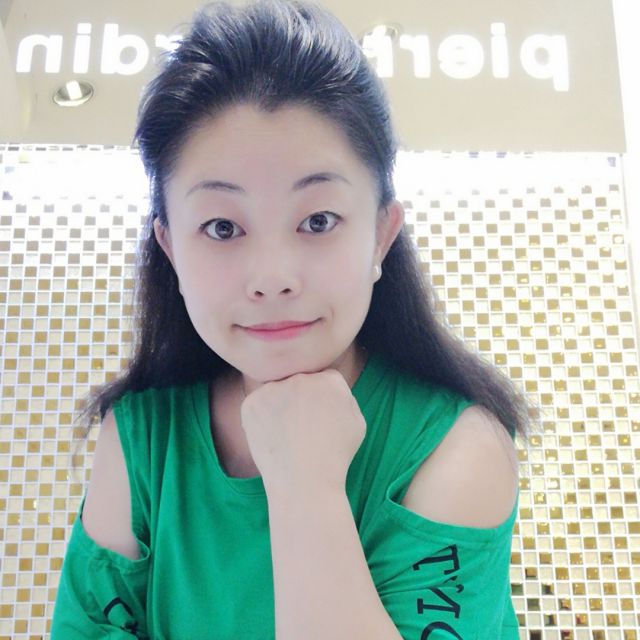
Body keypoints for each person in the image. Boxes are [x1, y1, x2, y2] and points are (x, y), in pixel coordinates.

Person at [51, 0, 536, 637]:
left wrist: (306, 488)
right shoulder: (142, 443)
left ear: (381, 236)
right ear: (171, 250)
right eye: (222, 227)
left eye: (318, 220)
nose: (273, 275)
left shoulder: (454, 451)